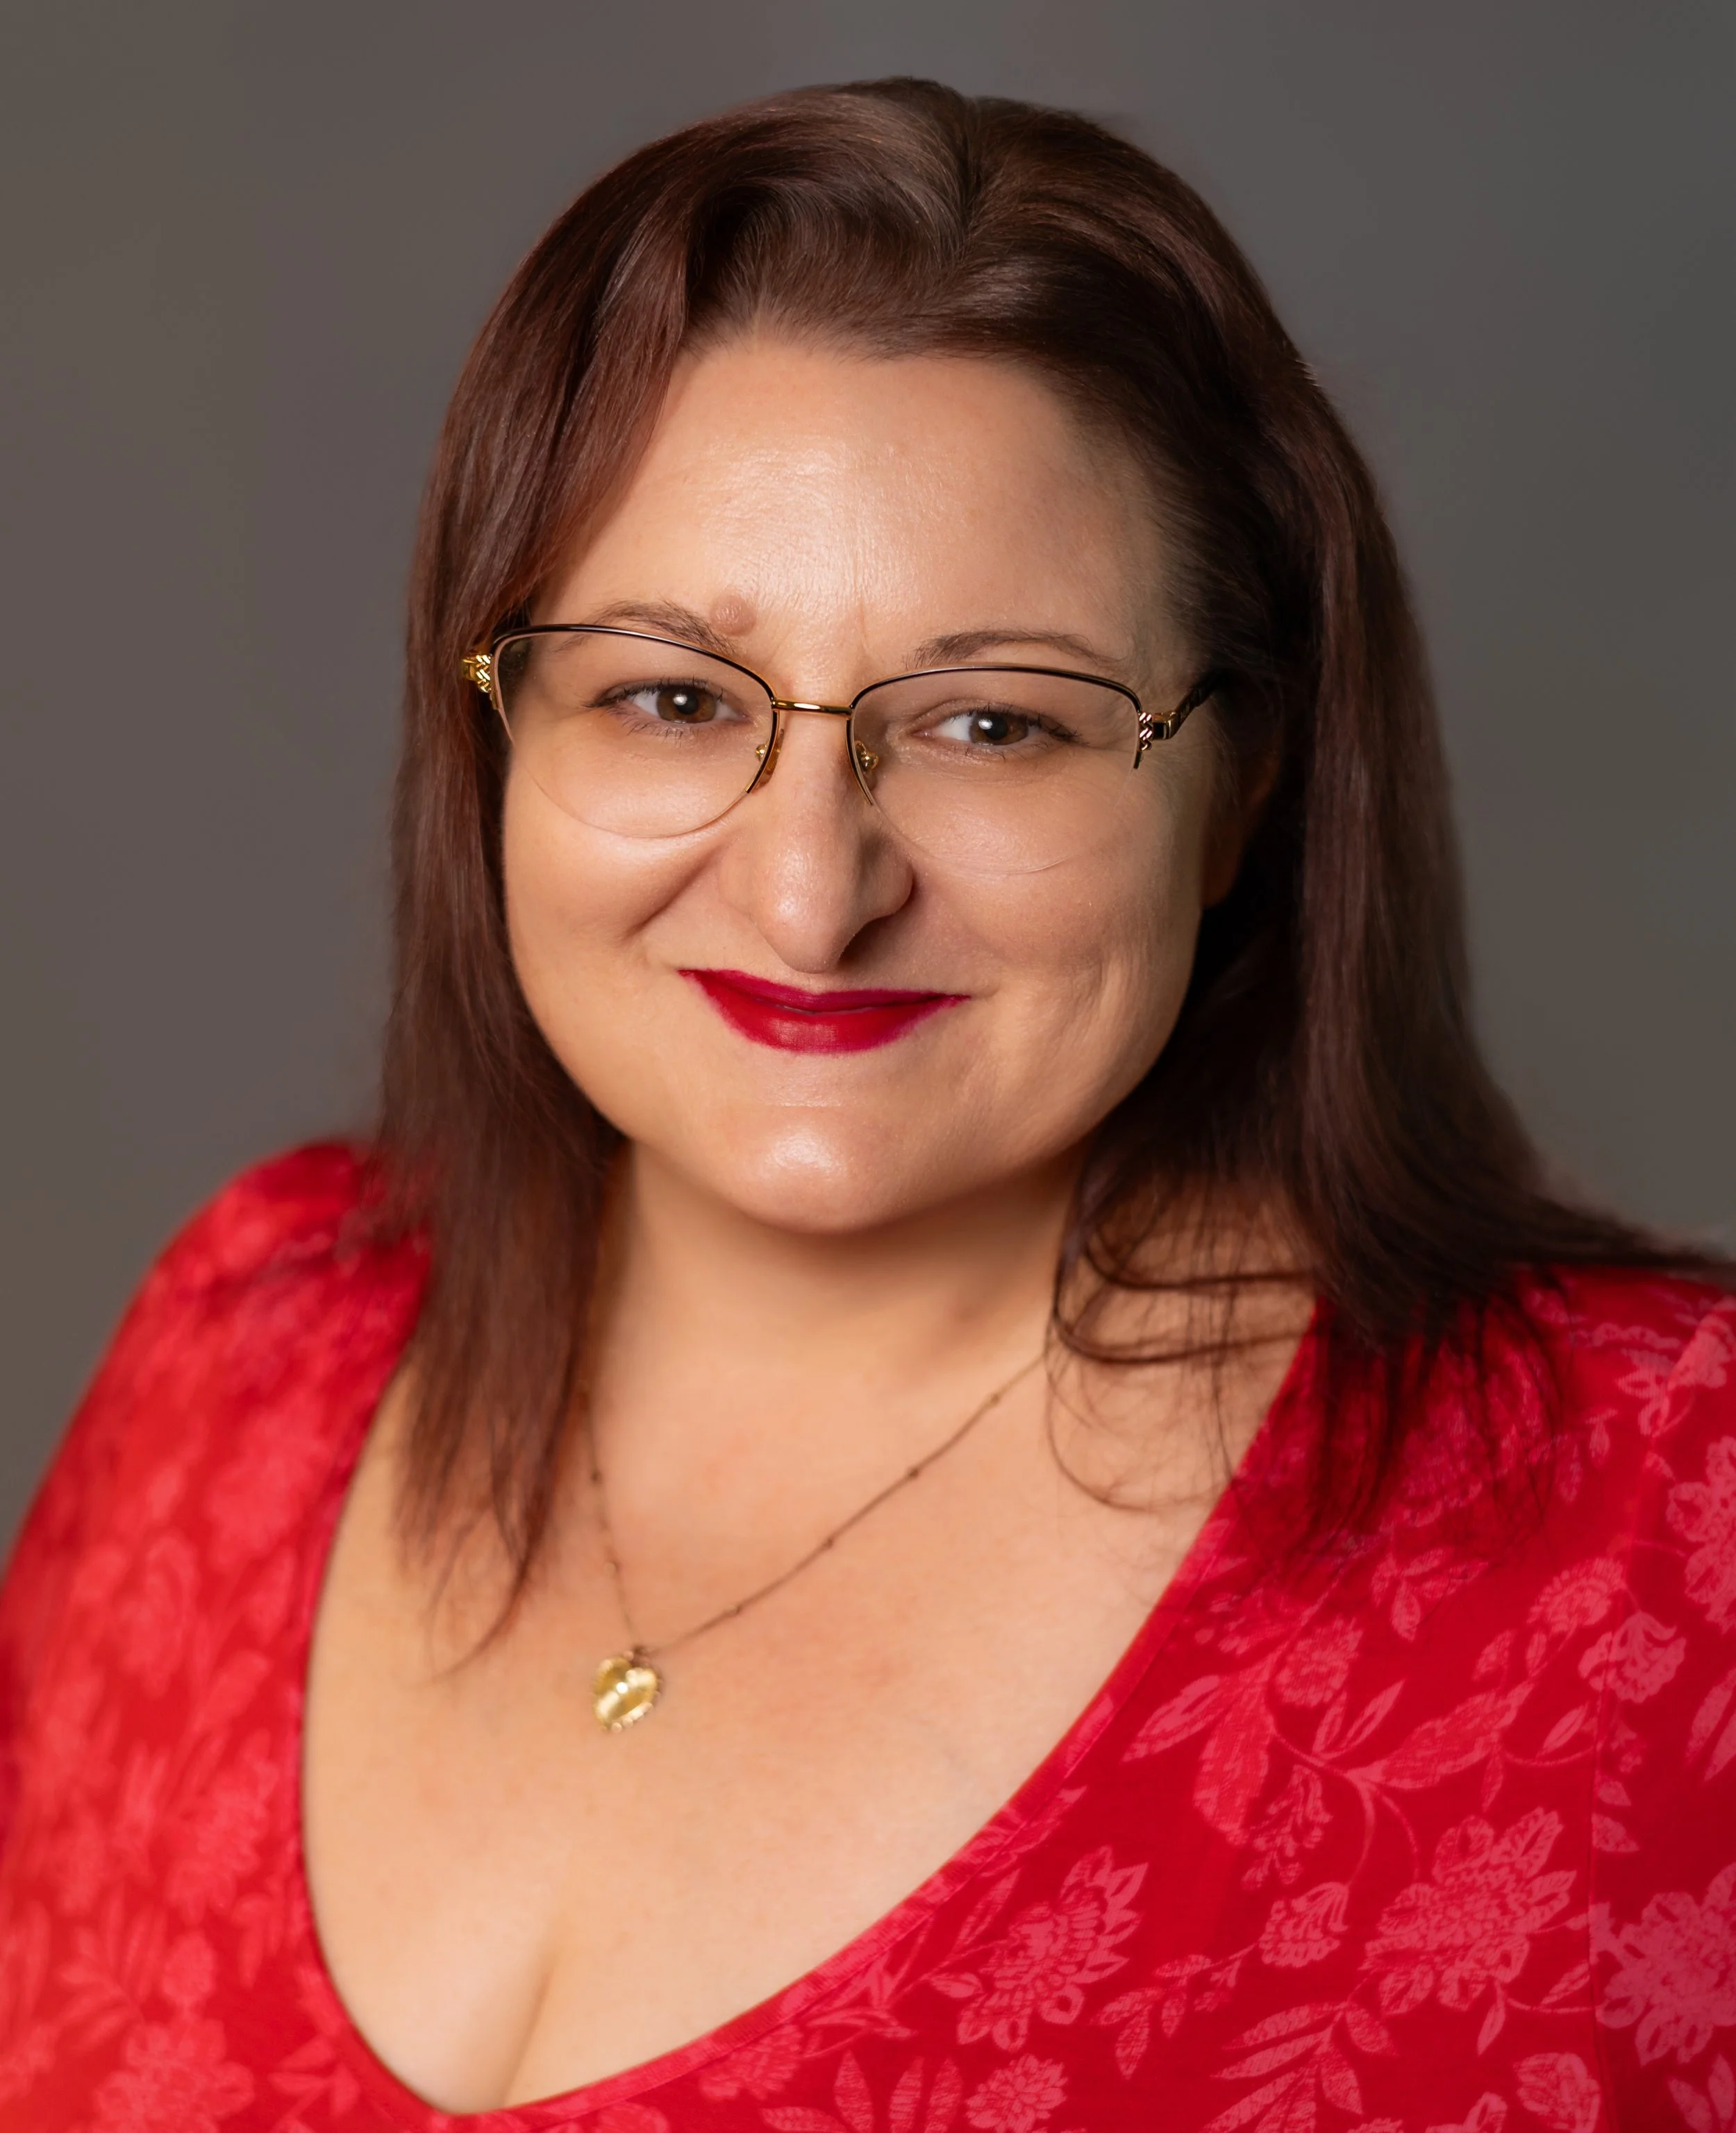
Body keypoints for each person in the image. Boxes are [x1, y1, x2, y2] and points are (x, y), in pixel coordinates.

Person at [0, 77, 1729, 2133]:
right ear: (493, 732)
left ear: (1243, 784)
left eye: (993, 722)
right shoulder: (247, 1349)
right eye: (667, 696)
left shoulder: (1666, 1538)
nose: (813, 890)